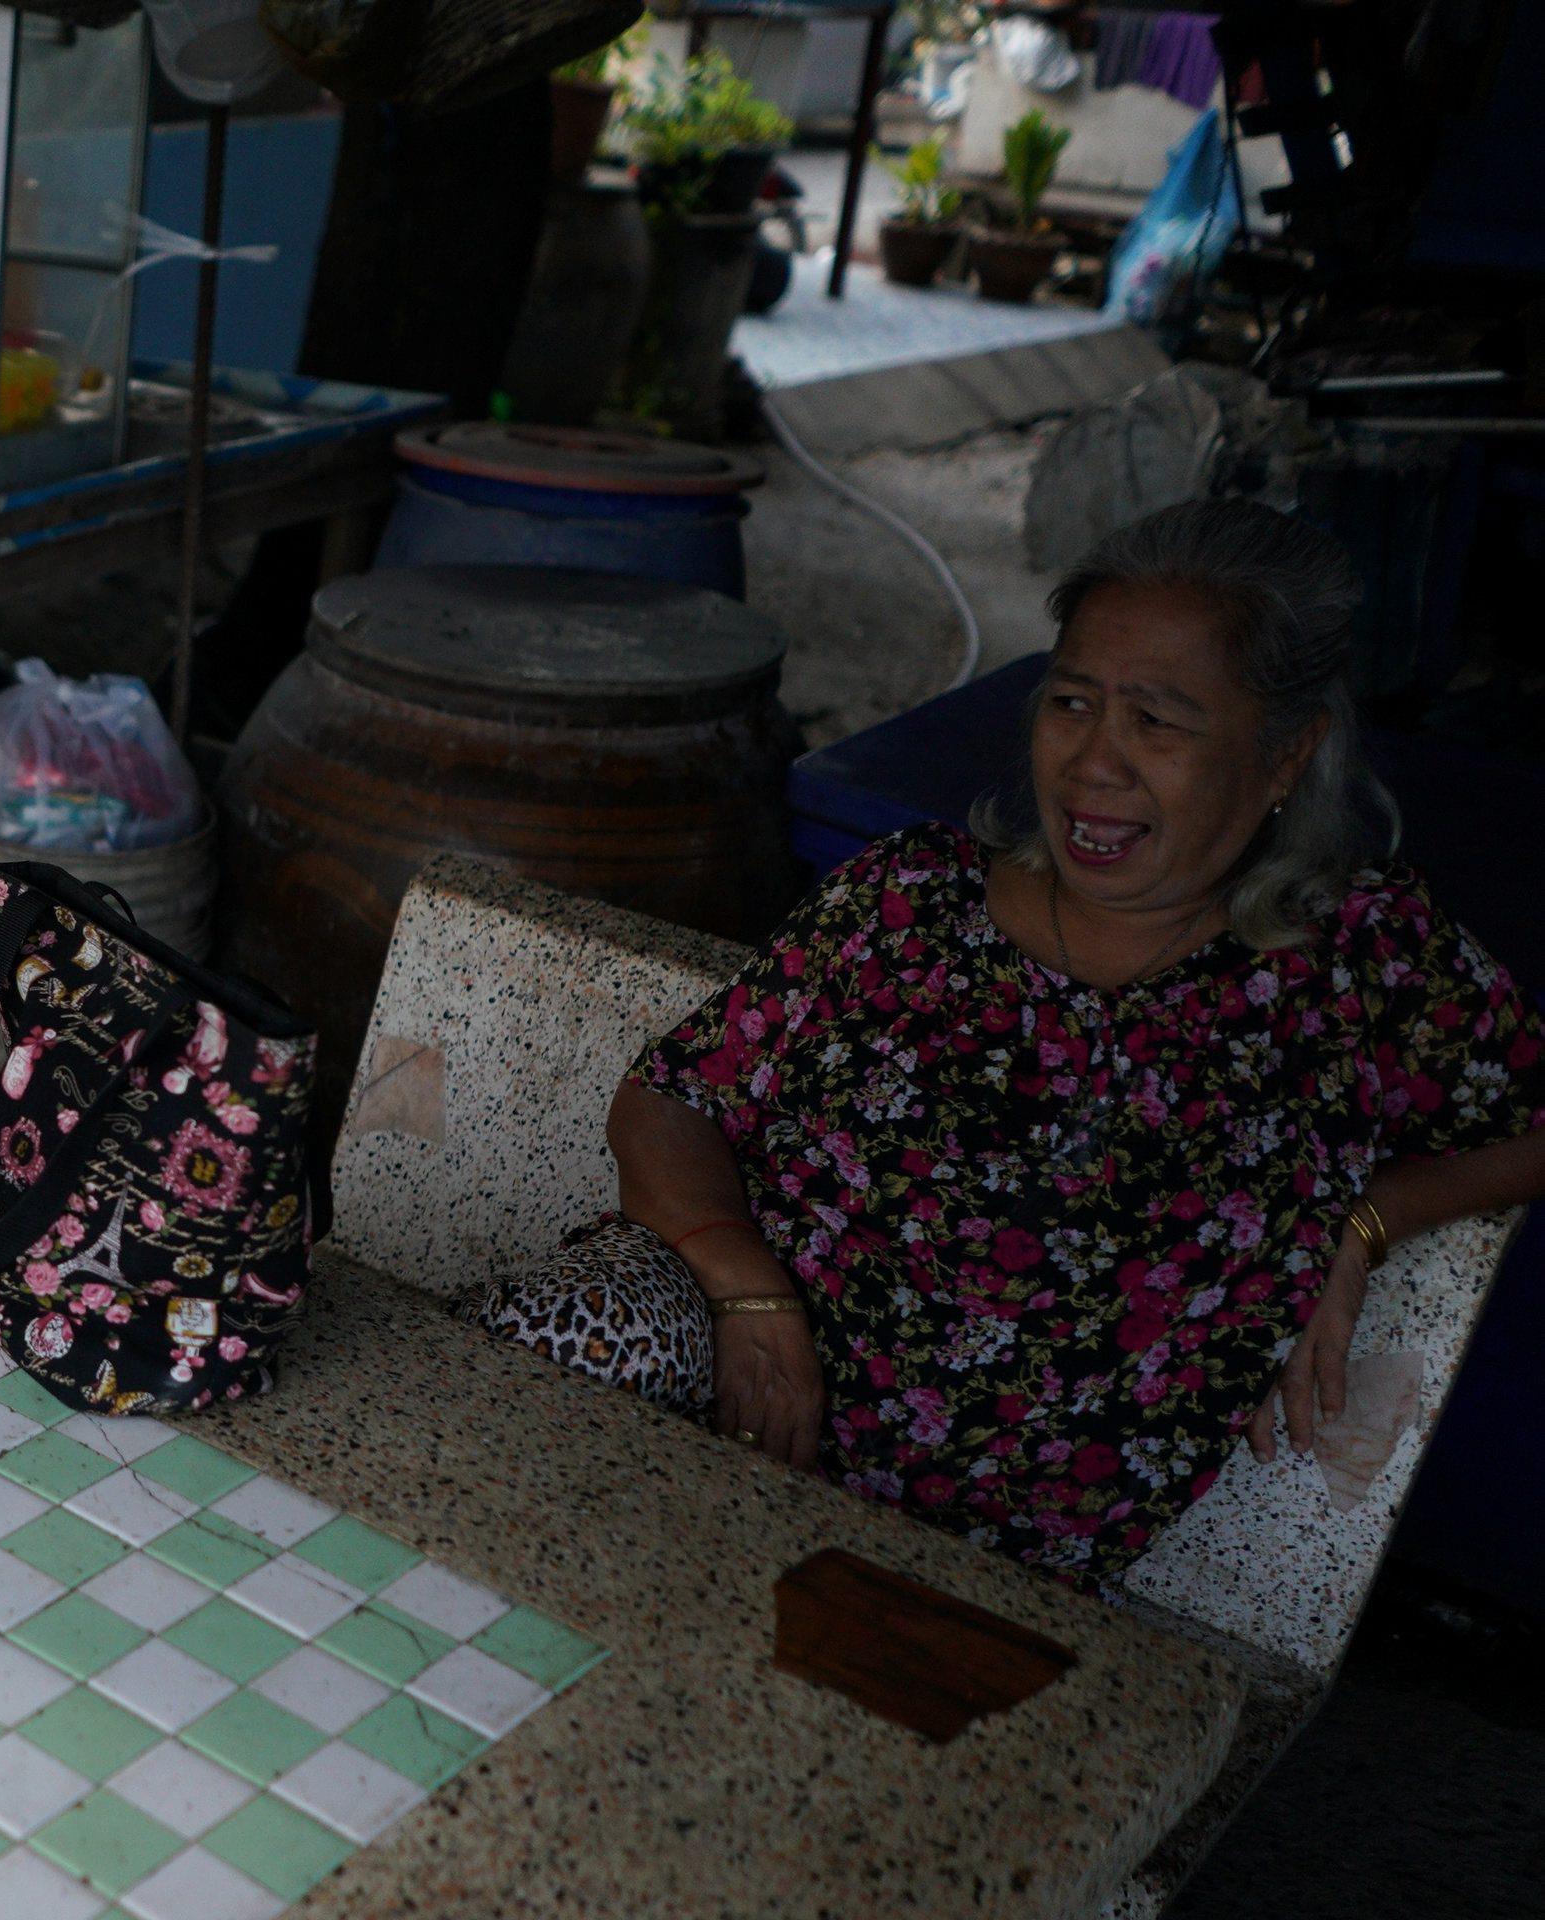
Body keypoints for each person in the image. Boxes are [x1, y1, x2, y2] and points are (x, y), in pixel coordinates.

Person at [480, 498, 1545, 1583]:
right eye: (1071, 700)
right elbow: (672, 1095)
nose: (1093, 761)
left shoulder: (1354, 968)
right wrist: (743, 1287)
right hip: (724, 1394)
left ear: (1283, 756)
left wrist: (1366, 1221)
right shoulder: (908, 900)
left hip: (983, 1566)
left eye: (1157, 722)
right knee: (556, 1349)